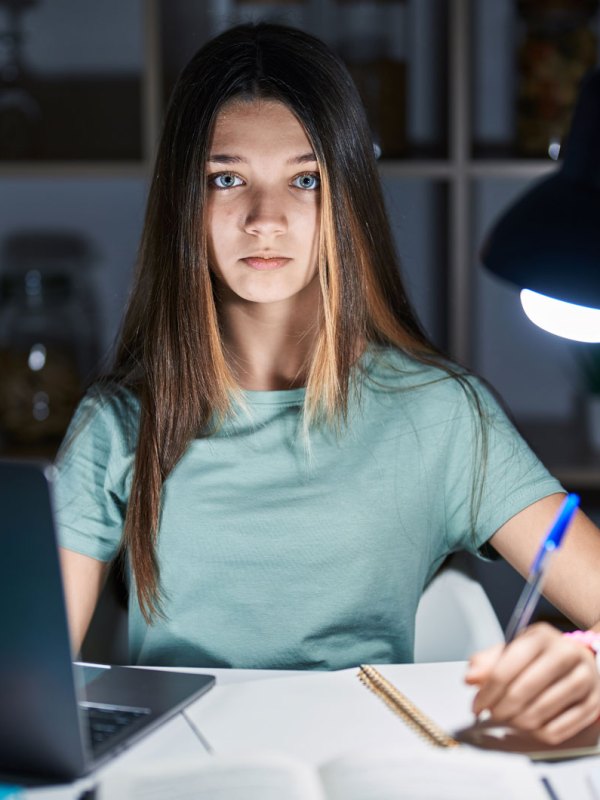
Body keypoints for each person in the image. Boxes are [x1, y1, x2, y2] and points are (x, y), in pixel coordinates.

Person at [56, 22, 600, 745]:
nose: (265, 220)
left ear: (344, 198)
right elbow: (24, 675)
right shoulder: (118, 423)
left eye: (304, 179)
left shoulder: (442, 415)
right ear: (183, 202)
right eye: (227, 179)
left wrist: (577, 668)